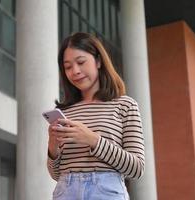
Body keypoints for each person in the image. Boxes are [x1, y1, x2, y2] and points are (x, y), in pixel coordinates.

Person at [47, 32, 145, 200]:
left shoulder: (125, 105)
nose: (75, 71)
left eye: (81, 62)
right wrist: (52, 146)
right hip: (65, 191)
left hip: (106, 192)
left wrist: (93, 140)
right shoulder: (65, 112)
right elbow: (56, 174)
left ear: (98, 61)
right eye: (68, 66)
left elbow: (136, 168)